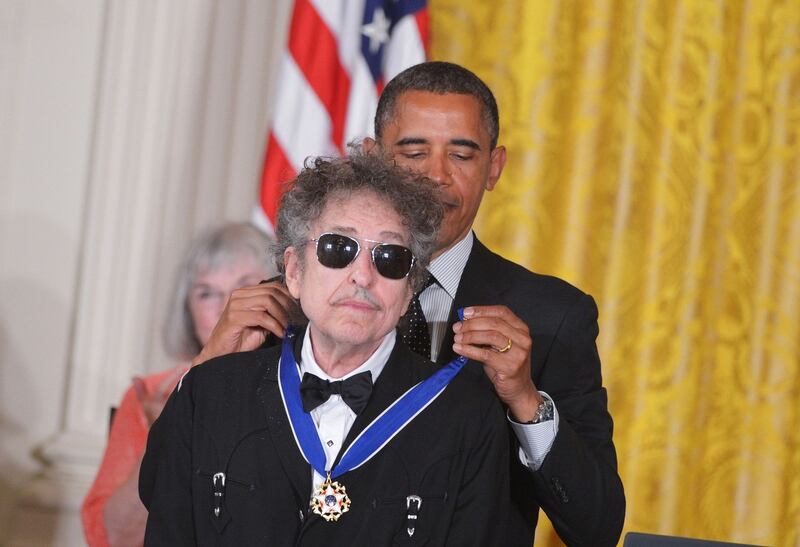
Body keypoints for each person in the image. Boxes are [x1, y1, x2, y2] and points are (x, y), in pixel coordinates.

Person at [191, 61, 625, 546]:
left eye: (461, 155)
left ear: (494, 168)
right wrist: (210, 365)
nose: (435, 177)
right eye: (413, 152)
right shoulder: (292, 299)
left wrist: (526, 401)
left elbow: (598, 528)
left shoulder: (550, 317)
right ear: (374, 157)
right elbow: (178, 488)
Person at [139, 153, 510, 545]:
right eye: (338, 248)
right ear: (295, 272)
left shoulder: (466, 417)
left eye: (390, 258)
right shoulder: (211, 391)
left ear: (409, 291)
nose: (363, 276)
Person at [81, 222, 275, 547]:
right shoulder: (153, 394)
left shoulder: (310, 383)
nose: (227, 306)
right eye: (206, 293)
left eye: (245, 287)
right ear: (187, 310)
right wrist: (171, 426)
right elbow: (108, 536)